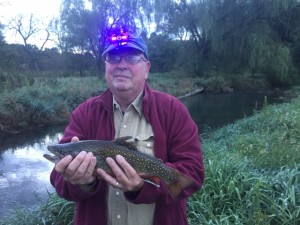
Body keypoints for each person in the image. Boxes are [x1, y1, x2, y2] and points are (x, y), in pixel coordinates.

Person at [49, 31, 204, 225]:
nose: (121, 64)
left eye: (131, 57)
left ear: (147, 68)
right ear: (106, 66)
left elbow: (193, 174)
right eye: (113, 57)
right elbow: (59, 181)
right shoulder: (84, 113)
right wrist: (82, 182)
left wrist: (142, 187)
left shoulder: (173, 110)